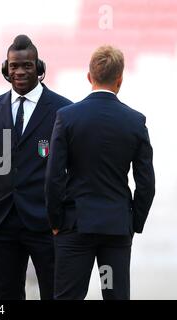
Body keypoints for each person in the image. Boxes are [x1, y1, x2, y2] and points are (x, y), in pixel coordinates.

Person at [45, 45, 155, 300]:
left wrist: (55, 221)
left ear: (89, 76)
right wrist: (133, 222)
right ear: (120, 79)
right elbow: (146, 183)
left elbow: (53, 177)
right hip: (116, 228)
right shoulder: (135, 121)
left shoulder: (66, 117)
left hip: (74, 226)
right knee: (115, 296)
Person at [0, 34, 72, 300]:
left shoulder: (63, 111)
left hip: (46, 224)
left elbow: (72, 169)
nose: (19, 71)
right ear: (5, 69)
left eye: (27, 65)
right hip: (0, 223)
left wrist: (62, 217)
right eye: (14, 66)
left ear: (39, 68)